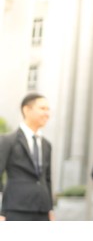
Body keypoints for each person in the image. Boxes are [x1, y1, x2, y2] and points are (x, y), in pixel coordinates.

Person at [0, 93, 54, 221]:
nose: (47, 113)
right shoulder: (8, 140)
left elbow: (47, 179)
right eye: (42, 108)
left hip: (43, 211)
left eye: (48, 109)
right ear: (26, 110)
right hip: (15, 209)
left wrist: (50, 209)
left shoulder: (47, 145)